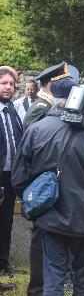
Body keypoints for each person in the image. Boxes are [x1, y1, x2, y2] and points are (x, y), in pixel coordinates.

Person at [12, 74, 84, 296]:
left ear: (53, 95)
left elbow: (19, 178)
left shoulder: (36, 130)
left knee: (53, 279)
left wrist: (37, 203)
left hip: (50, 217)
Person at [0, 66, 22, 281]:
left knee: (7, 221)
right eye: (4, 83)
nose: (8, 87)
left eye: (11, 84)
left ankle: (4, 263)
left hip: (11, 176)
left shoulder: (12, 109)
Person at [23, 63, 68, 130]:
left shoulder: (50, 105)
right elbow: (32, 137)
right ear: (51, 84)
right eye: (62, 83)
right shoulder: (40, 109)